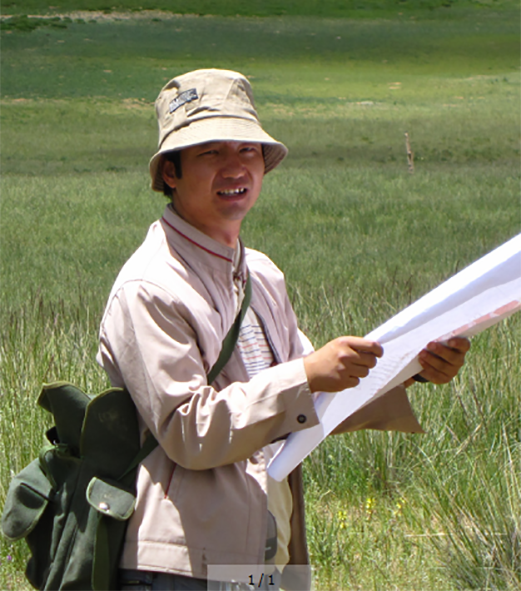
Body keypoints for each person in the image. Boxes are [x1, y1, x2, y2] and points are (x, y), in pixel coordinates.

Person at [97, 68, 469, 591]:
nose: (235, 166)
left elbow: (305, 406)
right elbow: (189, 431)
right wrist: (306, 374)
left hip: (264, 555)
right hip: (183, 565)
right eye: (210, 152)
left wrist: (412, 371)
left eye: (247, 150)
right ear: (171, 173)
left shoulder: (262, 275)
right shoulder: (149, 287)